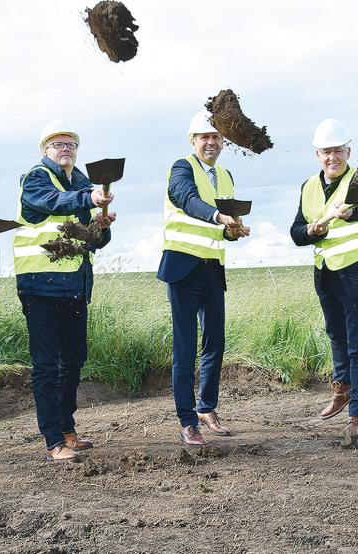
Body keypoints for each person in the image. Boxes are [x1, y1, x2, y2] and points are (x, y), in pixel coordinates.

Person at [13, 120, 116, 462]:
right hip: (39, 287)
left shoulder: (83, 182)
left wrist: (99, 226)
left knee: (73, 361)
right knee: (46, 365)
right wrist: (88, 196)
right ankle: (53, 439)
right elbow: (52, 202)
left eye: (70, 144)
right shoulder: (36, 178)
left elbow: (95, 241)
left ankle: (67, 428)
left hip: (74, 285)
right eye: (57, 144)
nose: (65, 149)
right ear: (45, 150)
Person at [158, 110, 250, 447]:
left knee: (215, 341)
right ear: (193, 141)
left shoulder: (225, 175)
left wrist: (233, 230)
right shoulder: (182, 168)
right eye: (204, 137)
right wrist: (217, 216)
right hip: (182, 266)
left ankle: (206, 408)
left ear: (223, 141)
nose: (211, 142)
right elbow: (186, 200)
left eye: (216, 137)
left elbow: (223, 226)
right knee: (185, 346)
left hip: (212, 267)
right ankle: (187, 421)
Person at [290, 118, 358, 446]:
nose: (333, 157)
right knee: (336, 335)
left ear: (348, 151)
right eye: (326, 151)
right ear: (317, 154)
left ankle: (357, 415)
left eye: (338, 151)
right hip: (326, 272)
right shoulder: (309, 187)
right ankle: (342, 388)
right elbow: (296, 233)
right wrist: (311, 231)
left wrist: (352, 213)